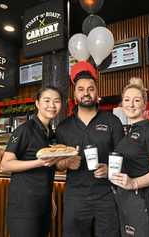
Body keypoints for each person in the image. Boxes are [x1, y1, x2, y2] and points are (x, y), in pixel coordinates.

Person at [55, 61, 124, 237]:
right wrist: (66, 163)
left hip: (106, 195)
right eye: (81, 89)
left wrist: (110, 169)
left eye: (90, 88)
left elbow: (124, 156)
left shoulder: (112, 121)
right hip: (75, 197)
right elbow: (56, 163)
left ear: (96, 92)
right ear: (75, 94)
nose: (86, 92)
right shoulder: (63, 127)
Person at [1, 86, 81, 237]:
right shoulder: (25, 130)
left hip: (43, 205)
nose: (52, 105)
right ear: (37, 103)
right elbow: (5, 164)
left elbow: (48, 170)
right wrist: (38, 162)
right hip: (24, 207)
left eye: (56, 101)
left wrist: (50, 198)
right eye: (47, 100)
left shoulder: (50, 133)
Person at [110, 78, 149, 237]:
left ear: (144, 104)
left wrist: (134, 183)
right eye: (127, 100)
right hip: (127, 200)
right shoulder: (129, 133)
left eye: (136, 100)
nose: (131, 104)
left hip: (144, 200)